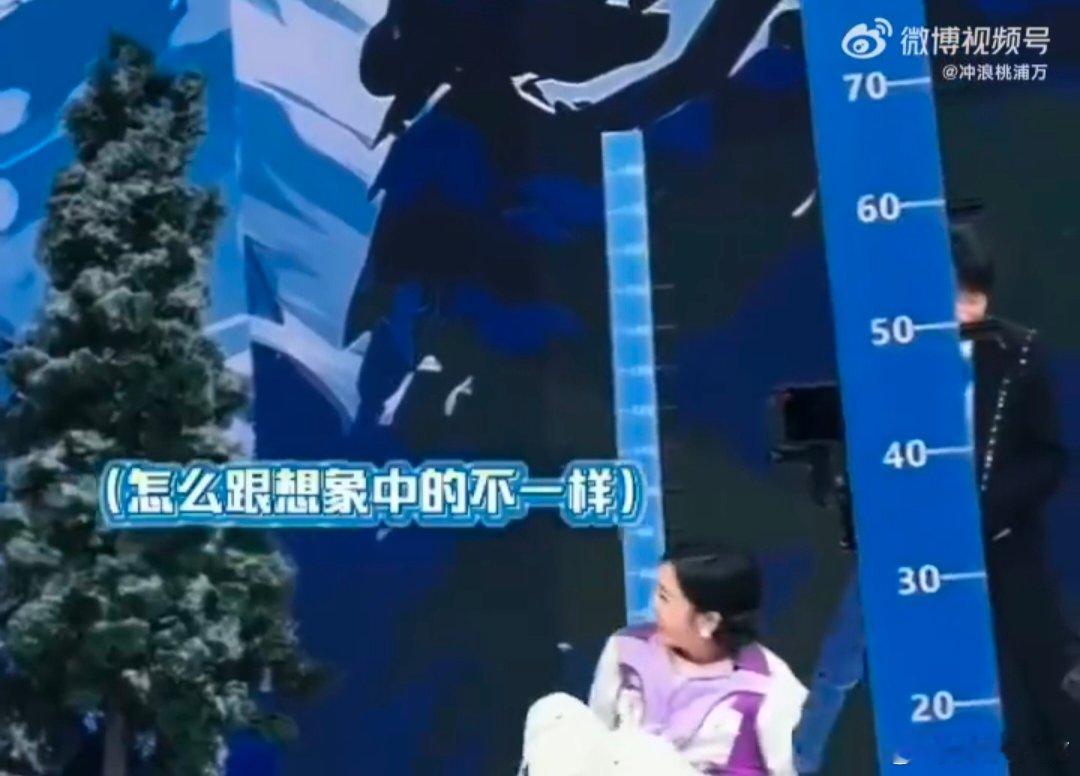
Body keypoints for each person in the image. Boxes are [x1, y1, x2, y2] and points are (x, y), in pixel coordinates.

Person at [952, 223, 1080, 774]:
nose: (968, 310)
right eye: (956, 295)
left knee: (1048, 677)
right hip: (924, 562)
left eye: (976, 295)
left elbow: (1048, 456)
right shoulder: (887, 363)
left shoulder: (1019, 351)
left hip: (1009, 544)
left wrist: (986, 514)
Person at [520, 544, 808, 774]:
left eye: (665, 597)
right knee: (555, 711)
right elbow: (597, 738)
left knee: (641, 752)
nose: (654, 606)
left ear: (708, 620)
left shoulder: (768, 685)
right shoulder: (627, 648)